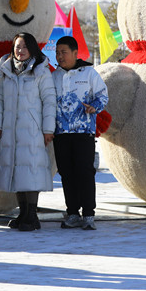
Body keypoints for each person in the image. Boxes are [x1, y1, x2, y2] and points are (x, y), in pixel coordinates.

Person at [0, 32, 56, 231]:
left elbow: (49, 101)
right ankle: (23, 213)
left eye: (25, 47)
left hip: (33, 130)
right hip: (10, 130)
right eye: (17, 46)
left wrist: (48, 129)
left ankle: (32, 215)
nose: (20, 50)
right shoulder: (5, 70)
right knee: (16, 171)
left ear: (32, 49)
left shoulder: (41, 71)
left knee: (31, 170)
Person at [52, 35, 108, 231]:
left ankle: (89, 214)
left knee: (84, 172)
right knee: (66, 173)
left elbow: (103, 95)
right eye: (57, 53)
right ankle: (73, 213)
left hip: (83, 132)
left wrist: (94, 107)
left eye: (64, 52)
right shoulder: (54, 76)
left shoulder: (89, 73)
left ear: (75, 53)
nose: (60, 56)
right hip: (61, 133)